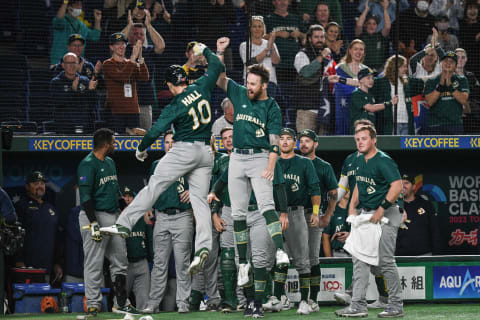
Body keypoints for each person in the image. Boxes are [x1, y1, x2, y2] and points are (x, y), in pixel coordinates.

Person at [100, 43, 224, 276]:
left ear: (169, 84)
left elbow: (156, 129)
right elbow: (217, 65)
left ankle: (123, 224)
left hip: (185, 149)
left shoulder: (175, 104)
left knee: (154, 186)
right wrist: (204, 49)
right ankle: (203, 248)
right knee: (199, 202)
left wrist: (141, 149)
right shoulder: (202, 85)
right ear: (185, 79)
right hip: (207, 152)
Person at [215, 63, 290, 289]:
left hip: (260, 156)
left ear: (264, 85)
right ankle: (243, 265)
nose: (248, 87)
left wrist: (271, 163)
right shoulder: (239, 92)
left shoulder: (272, 106)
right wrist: (219, 54)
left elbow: (275, 141)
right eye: (247, 82)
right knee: (237, 214)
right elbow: (220, 79)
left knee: (267, 206)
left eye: (253, 84)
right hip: (237, 156)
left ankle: (280, 252)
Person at [335, 124, 404, 318]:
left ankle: (396, 305)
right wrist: (351, 207)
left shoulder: (383, 160)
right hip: (367, 213)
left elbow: (397, 186)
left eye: (364, 139)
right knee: (359, 258)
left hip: (388, 212)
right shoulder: (359, 160)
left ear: (374, 140)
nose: (360, 142)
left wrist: (381, 209)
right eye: (357, 139)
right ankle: (358, 305)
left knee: (385, 260)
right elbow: (359, 184)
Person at [77, 128, 139, 317]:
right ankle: (93, 304)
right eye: (113, 141)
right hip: (93, 215)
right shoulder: (87, 164)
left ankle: (120, 303)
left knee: (120, 260)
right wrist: (93, 222)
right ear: (105, 144)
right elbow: (85, 197)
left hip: (112, 216)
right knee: (94, 262)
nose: (115, 144)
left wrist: (125, 210)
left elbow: (115, 191)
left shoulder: (110, 162)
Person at [142, 131, 193, 314]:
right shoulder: (156, 165)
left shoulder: (189, 163)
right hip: (161, 216)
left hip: (182, 216)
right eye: (166, 142)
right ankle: (153, 303)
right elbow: (151, 189)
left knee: (182, 263)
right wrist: (148, 208)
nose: (170, 145)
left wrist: (193, 192)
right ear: (163, 145)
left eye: (173, 142)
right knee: (159, 264)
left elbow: (203, 184)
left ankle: (183, 303)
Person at [273, 128, 322, 316]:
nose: (284, 142)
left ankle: (304, 301)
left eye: (289, 139)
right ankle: (276, 299)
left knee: (303, 260)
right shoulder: (273, 161)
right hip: (274, 214)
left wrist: (316, 212)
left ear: (295, 143)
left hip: (296, 213)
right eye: (281, 138)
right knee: (277, 259)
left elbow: (315, 189)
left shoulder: (304, 163)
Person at [298, 128, 338, 310]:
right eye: (301, 141)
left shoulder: (324, 166)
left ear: (315, 144)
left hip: (313, 215)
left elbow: (334, 194)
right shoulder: (293, 162)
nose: (303, 144)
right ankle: (281, 296)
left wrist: (327, 216)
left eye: (308, 141)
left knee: (312, 257)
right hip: (294, 213)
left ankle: (312, 299)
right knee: (292, 257)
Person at [14, 171, 62, 284]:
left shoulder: (51, 209)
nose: (40, 186)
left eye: (42, 183)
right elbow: (15, 235)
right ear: (27, 187)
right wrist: (18, 260)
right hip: (27, 268)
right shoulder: (21, 207)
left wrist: (57, 263)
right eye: (35, 183)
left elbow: (57, 238)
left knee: (47, 299)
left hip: (47, 267)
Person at [125, 15, 166, 130]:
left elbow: (161, 46)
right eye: (135, 33)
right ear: (129, 36)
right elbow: (117, 41)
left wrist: (148, 25)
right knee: (126, 137)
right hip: (126, 102)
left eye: (141, 34)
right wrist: (129, 25)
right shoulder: (123, 50)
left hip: (144, 101)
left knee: (145, 138)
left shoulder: (148, 51)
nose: (138, 36)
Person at [103, 32, 149, 134]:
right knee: (117, 143)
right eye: (117, 44)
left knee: (134, 143)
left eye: (123, 44)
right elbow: (122, 77)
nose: (121, 46)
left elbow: (144, 78)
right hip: (116, 111)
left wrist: (140, 57)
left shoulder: (130, 63)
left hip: (133, 110)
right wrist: (133, 58)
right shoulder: (108, 64)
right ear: (111, 47)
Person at [371, 55, 426, 135]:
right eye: (403, 66)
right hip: (390, 123)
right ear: (395, 67)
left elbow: (424, 80)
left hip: (406, 122)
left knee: (406, 147)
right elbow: (363, 83)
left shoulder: (407, 81)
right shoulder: (380, 82)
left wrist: (441, 75)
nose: (405, 69)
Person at [294, 24, 332, 134]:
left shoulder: (328, 56)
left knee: (323, 147)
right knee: (304, 144)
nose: (320, 40)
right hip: (307, 109)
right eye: (316, 37)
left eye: (322, 37)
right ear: (310, 39)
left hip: (324, 109)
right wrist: (321, 58)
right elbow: (306, 73)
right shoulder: (302, 54)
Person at [122, 186, 153, 311]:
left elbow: (149, 240)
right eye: (126, 196)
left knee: (144, 301)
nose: (128, 199)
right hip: (126, 263)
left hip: (142, 262)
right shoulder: (119, 217)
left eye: (130, 196)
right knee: (121, 300)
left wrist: (152, 258)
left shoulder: (143, 217)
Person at [50, 52, 98, 134]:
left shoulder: (85, 80)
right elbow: (59, 102)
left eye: (74, 63)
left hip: (84, 125)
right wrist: (73, 90)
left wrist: (91, 91)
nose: (71, 66)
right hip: (64, 127)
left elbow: (93, 104)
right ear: (63, 65)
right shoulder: (56, 82)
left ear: (78, 65)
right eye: (68, 63)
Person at [425, 51, 469, 134]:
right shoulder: (431, 81)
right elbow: (430, 102)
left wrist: (450, 86)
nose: (448, 63)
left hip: (455, 124)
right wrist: (440, 86)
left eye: (451, 61)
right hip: (435, 124)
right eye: (445, 61)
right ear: (441, 63)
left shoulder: (462, 80)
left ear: (455, 65)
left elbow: (463, 100)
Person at [395, 174, 440, 256]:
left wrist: (435, 255)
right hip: (399, 256)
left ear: (414, 187)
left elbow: (435, 230)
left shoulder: (426, 205)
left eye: (406, 183)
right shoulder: (392, 206)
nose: (403, 186)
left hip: (424, 255)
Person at [265, 0, 306, 83]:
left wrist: (300, 34)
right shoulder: (267, 18)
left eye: (285, 0)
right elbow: (260, 37)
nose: (283, 2)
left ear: (289, 2)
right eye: (280, 0)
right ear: (273, 2)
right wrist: (277, 34)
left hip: (295, 64)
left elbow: (308, 37)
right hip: (276, 65)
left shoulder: (296, 18)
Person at [50, 0, 102, 66]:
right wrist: (65, 2)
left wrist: (97, 20)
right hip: (59, 62)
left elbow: (95, 37)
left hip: (76, 64)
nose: (79, 7)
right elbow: (59, 19)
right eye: (77, 4)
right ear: (69, 7)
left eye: (80, 5)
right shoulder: (63, 21)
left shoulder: (82, 25)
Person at [349, 67, 398, 134]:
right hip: (358, 132)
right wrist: (390, 103)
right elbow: (371, 108)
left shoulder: (371, 95)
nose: (371, 80)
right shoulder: (356, 94)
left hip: (370, 132)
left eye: (372, 78)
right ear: (360, 80)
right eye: (368, 78)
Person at [334, 39, 367, 135]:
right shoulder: (340, 68)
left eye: (361, 49)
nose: (358, 52)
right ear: (350, 50)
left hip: (360, 112)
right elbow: (339, 86)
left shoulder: (366, 70)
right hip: (344, 111)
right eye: (356, 49)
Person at [239, 15, 280, 88]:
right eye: (254, 27)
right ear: (250, 29)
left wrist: (271, 45)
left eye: (259, 26)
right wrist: (267, 48)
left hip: (270, 82)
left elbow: (276, 62)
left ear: (263, 29)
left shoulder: (271, 44)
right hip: (252, 84)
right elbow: (251, 63)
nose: (257, 29)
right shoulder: (244, 45)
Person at [355, 0, 391, 72]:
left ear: (377, 26)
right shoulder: (361, 36)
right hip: (363, 68)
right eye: (369, 23)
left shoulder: (380, 36)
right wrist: (366, 9)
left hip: (379, 69)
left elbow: (387, 27)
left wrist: (385, 9)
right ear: (365, 25)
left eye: (374, 24)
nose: (371, 26)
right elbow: (358, 25)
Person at [455, 48, 480, 134]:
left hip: (471, 117)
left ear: (466, 59)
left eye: (463, 57)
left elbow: (477, 94)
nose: (460, 60)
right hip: (453, 117)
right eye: (458, 57)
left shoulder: (471, 76)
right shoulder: (447, 76)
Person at [323, 191, 350, 257]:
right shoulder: (332, 210)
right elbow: (325, 237)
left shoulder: (361, 209)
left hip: (357, 253)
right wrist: (330, 261)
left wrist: (351, 235)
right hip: (339, 253)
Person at [459, 2, 480, 77]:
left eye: (475, 8)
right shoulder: (462, 24)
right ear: (466, 11)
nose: (473, 11)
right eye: (470, 8)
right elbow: (467, 42)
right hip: (469, 60)